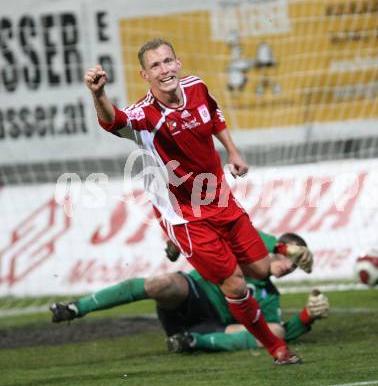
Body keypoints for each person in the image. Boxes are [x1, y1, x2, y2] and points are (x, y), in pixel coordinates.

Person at [84, 37, 306, 364]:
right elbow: (114, 121)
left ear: (179, 63)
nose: (164, 70)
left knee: (260, 269)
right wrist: (98, 93)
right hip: (188, 218)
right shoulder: (145, 114)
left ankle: (253, 253)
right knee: (235, 284)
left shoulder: (197, 88)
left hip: (222, 201)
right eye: (155, 66)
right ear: (145, 75)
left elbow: (215, 116)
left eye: (167, 62)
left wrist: (232, 151)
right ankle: (277, 348)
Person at [50, 232, 329, 354]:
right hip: (193, 294)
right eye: (286, 258)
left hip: (216, 327)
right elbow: (245, 232)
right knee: (161, 284)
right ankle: (76, 308)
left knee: (275, 332)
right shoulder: (238, 247)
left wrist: (307, 317)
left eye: (293, 266)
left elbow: (278, 333)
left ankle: (192, 342)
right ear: (272, 249)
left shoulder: (270, 295)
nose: (288, 268)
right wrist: (177, 242)